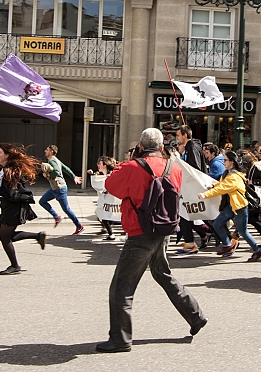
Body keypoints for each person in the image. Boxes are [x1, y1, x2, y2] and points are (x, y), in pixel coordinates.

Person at [97, 128, 207, 353]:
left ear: (140, 146)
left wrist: (129, 161)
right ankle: (195, 315)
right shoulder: (173, 167)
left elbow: (110, 186)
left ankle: (120, 338)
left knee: (121, 286)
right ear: (160, 146)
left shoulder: (132, 167)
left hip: (140, 232)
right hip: (164, 229)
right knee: (162, 274)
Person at [0, 143, 47, 275]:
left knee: (4, 237)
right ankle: (37, 236)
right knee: (7, 236)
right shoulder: (5, 169)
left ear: (7, 155)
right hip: (9, 206)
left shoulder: (9, 171)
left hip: (13, 207)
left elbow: (10, 193)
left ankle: (15, 266)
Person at [198, 151, 261, 261]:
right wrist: (213, 186)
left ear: (232, 162)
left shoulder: (234, 177)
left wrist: (205, 195)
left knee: (243, 231)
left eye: (225, 160)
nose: (223, 162)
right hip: (232, 206)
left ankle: (257, 251)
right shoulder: (229, 173)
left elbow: (222, 188)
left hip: (239, 207)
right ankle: (227, 245)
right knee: (217, 224)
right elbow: (222, 185)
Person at [39, 144, 84, 235]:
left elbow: (56, 171)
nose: (45, 151)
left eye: (47, 150)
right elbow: (66, 168)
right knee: (42, 201)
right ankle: (57, 216)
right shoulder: (56, 160)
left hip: (59, 188)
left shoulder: (52, 161)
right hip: (54, 189)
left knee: (66, 209)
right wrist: (73, 176)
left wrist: (47, 175)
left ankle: (79, 226)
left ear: (51, 152)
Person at [176, 125, 207, 254]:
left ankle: (191, 243)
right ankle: (199, 239)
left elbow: (195, 167)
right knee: (190, 215)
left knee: (186, 214)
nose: (177, 138)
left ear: (185, 135)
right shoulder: (191, 147)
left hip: (193, 187)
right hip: (192, 187)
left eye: (178, 135)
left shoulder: (192, 147)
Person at [87, 156, 117, 240]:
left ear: (105, 165)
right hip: (103, 199)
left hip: (110, 199)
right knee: (101, 213)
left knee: (106, 215)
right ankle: (107, 229)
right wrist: (92, 174)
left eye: (100, 164)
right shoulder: (101, 174)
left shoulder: (111, 173)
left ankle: (111, 233)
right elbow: (98, 181)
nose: (98, 165)